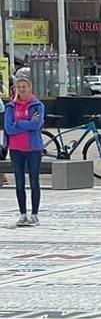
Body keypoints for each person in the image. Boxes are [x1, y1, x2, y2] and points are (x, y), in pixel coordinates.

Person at [4, 74, 45, 226]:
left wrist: (19, 123)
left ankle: (34, 214)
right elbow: (8, 128)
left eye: (24, 87)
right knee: (19, 182)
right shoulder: (10, 107)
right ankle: (22, 213)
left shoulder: (37, 106)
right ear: (16, 89)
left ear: (29, 88)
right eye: (19, 87)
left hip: (33, 148)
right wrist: (26, 123)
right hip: (16, 149)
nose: (22, 89)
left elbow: (36, 124)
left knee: (34, 181)